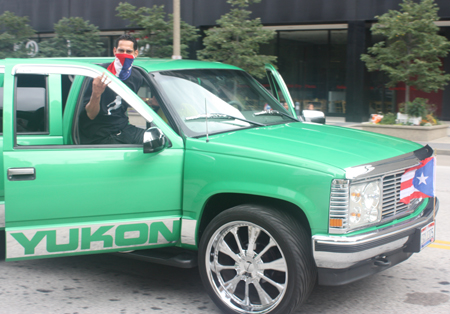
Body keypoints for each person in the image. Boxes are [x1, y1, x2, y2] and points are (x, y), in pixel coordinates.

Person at [79, 34, 145, 144]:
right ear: (115, 51)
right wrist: (96, 94)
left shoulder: (137, 77)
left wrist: (150, 101)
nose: (124, 55)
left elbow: (128, 103)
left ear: (135, 53)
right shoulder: (99, 73)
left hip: (121, 128)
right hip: (98, 133)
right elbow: (91, 115)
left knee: (159, 140)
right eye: (121, 51)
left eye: (128, 52)